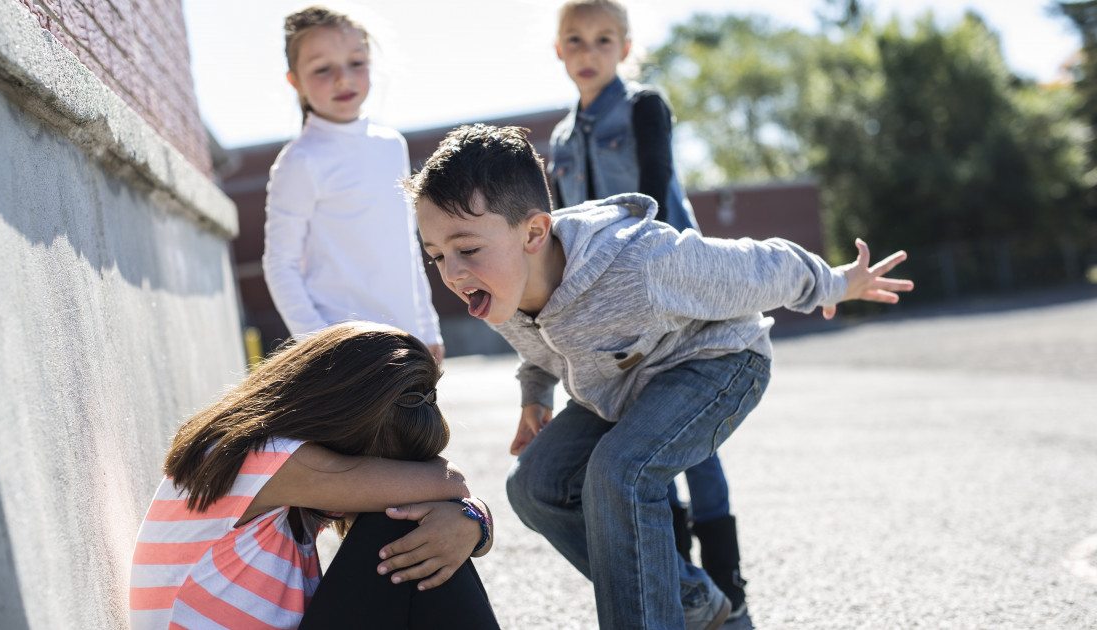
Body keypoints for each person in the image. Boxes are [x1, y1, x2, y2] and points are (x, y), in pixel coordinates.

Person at [406, 124, 912, 630]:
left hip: (717, 363)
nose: (451, 272)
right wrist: (534, 396)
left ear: (534, 233)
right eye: (436, 256)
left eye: (467, 249)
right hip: (621, 386)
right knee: (534, 486)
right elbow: (540, 351)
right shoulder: (507, 289)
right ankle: (690, 599)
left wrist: (836, 283)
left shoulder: (641, 263)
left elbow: (761, 266)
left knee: (619, 472)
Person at [546, 0, 742, 616]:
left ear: (625, 48)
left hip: (672, 291)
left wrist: (643, 263)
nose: (588, 52)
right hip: (608, 310)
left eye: (603, 40)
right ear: (559, 50)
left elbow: (655, 186)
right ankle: (680, 582)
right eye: (574, 41)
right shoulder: (559, 136)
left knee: (693, 441)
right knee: (640, 435)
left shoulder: (642, 106)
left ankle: (728, 585)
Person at [128, 322, 500, 629]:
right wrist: (469, 513)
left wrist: (470, 521)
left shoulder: (284, 473)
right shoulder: (258, 456)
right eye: (385, 465)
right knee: (402, 524)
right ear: (345, 425)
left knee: (424, 529)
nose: (389, 478)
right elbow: (449, 484)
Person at [263, 6, 444, 361]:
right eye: (322, 69)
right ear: (295, 80)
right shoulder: (300, 160)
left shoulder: (392, 144)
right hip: (345, 355)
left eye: (356, 62)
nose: (343, 79)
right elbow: (279, 264)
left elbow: (407, 247)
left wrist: (427, 328)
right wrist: (319, 345)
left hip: (407, 342)